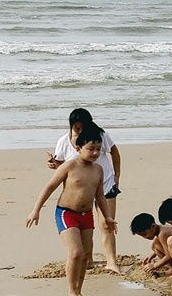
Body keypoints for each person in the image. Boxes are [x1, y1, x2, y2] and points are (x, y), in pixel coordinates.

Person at [26, 123, 108, 296]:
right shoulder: (69, 167)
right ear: (78, 148)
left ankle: (79, 291)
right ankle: (71, 292)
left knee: (86, 255)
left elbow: (100, 196)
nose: (95, 153)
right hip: (66, 213)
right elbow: (49, 187)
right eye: (90, 149)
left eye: (98, 149)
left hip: (86, 215)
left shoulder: (98, 170)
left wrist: (107, 217)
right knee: (75, 252)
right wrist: (35, 210)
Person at [49, 108, 123, 274]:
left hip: (105, 184)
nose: (80, 131)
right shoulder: (63, 142)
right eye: (77, 128)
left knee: (107, 222)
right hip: (84, 192)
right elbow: (62, 167)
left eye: (83, 127)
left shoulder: (100, 135)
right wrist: (54, 165)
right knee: (85, 228)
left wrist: (117, 175)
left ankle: (111, 261)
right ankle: (87, 259)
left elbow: (115, 152)